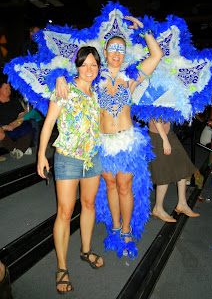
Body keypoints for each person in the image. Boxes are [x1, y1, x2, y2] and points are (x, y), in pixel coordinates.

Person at [56, 16, 163, 256]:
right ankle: (115, 228)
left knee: (124, 186)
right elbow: (72, 68)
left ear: (124, 53)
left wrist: (145, 30)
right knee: (111, 185)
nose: (117, 53)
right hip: (101, 142)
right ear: (105, 51)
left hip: (126, 141)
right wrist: (60, 77)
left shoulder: (132, 76)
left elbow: (156, 56)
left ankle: (126, 231)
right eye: (113, 48)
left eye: (121, 49)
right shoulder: (93, 76)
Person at [37, 46, 104, 294]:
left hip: (92, 158)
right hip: (67, 159)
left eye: (94, 65)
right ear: (76, 66)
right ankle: (62, 267)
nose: (89, 69)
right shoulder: (64, 88)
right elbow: (48, 124)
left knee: (88, 204)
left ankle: (85, 250)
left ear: (98, 67)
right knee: (64, 213)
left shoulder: (96, 93)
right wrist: (41, 155)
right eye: (84, 64)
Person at [148, 119, 200, 222]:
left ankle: (182, 203)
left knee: (182, 167)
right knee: (164, 174)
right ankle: (158, 208)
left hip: (168, 134)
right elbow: (156, 115)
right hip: (159, 136)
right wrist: (165, 140)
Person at [0, 76, 32, 159]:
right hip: (4, 129)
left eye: (9, 88)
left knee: (28, 124)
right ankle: (17, 148)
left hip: (16, 126)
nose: (9, 91)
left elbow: (21, 115)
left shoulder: (14, 101)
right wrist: (5, 127)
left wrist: (16, 124)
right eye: (6, 88)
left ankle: (20, 149)